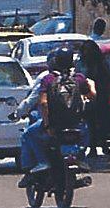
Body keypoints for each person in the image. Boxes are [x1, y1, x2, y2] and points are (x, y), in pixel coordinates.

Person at [14, 46, 94, 187]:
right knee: (86, 131)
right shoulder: (79, 78)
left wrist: (47, 124)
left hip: (55, 123)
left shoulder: (49, 79)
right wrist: (91, 86)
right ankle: (80, 156)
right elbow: (91, 96)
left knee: (27, 135)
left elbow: (43, 103)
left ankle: (41, 162)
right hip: (75, 123)